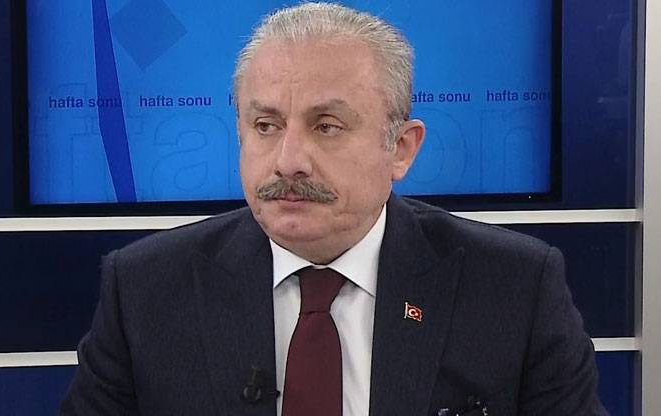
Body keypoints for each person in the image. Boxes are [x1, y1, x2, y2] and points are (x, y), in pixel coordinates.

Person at [60, 3, 608, 415]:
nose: (288, 161)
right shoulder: (145, 290)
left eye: (326, 126)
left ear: (401, 148)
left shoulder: (515, 288)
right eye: (266, 125)